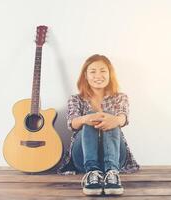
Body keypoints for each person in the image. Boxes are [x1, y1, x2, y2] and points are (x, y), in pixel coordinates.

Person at [57, 54, 139, 196]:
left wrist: (114, 119)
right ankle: (92, 173)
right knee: (90, 117)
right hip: (82, 158)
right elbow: (72, 123)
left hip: (116, 156)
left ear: (109, 74)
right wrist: (87, 118)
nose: (98, 75)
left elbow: (123, 118)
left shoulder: (120, 97)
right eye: (93, 72)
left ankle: (112, 174)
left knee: (107, 115)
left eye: (103, 71)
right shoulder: (75, 99)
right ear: (86, 75)